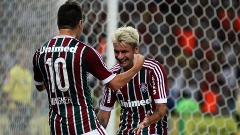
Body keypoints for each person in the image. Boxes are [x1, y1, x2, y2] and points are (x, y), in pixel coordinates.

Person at [32, 1, 144, 135]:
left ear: (58, 23)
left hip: (58, 129)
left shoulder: (40, 53)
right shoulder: (83, 51)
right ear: (80, 24)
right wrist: (136, 67)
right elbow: (114, 84)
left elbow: (40, 86)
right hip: (85, 128)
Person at [97, 26, 168, 135]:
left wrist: (148, 121)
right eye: (117, 52)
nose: (120, 56)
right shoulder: (112, 75)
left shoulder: (153, 69)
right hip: (126, 132)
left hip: (152, 131)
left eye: (124, 52)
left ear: (136, 49)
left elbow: (162, 108)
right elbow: (104, 113)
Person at [2, 49, 33, 135]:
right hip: (16, 104)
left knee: (25, 130)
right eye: (26, 57)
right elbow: (6, 90)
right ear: (20, 58)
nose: (28, 59)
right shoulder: (14, 71)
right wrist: (12, 106)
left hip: (26, 106)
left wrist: (31, 106)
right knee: (16, 131)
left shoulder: (28, 73)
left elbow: (29, 92)